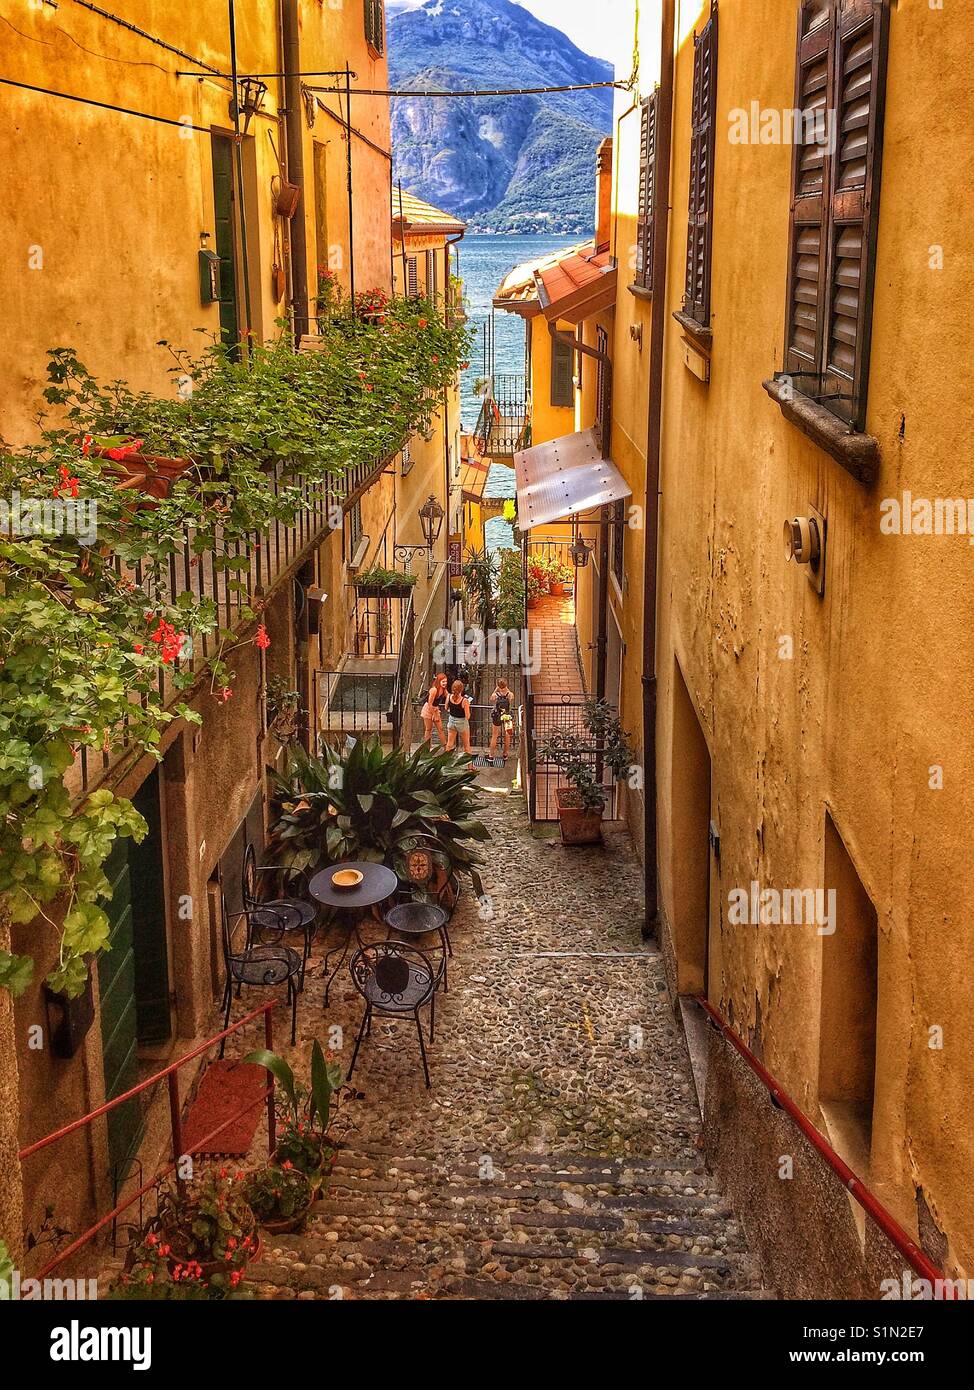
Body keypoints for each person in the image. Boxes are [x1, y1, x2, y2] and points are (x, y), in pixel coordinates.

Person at [488, 678, 514, 762]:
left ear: (498, 685)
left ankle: (491, 755)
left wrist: (497, 688)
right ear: (506, 685)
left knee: (495, 735)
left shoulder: (495, 695)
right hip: (507, 715)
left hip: (497, 716)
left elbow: (491, 699)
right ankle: (505, 754)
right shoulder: (510, 694)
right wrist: (506, 688)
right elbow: (510, 699)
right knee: (508, 735)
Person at [444, 678, 473, 755]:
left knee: (449, 744)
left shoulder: (448, 697)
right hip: (462, 723)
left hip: (451, 721)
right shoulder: (464, 701)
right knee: (467, 745)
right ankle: (470, 765)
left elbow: (446, 708)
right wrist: (468, 706)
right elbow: (467, 716)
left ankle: (445, 762)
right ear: (461, 689)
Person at [421, 673, 448, 747]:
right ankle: (427, 747)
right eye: (443, 682)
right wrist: (434, 714)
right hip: (428, 709)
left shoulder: (443, 690)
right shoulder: (434, 690)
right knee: (428, 729)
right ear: (439, 681)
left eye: (446, 681)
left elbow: (448, 696)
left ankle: (445, 747)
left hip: (435, 709)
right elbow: (430, 704)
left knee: (441, 729)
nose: (444, 683)